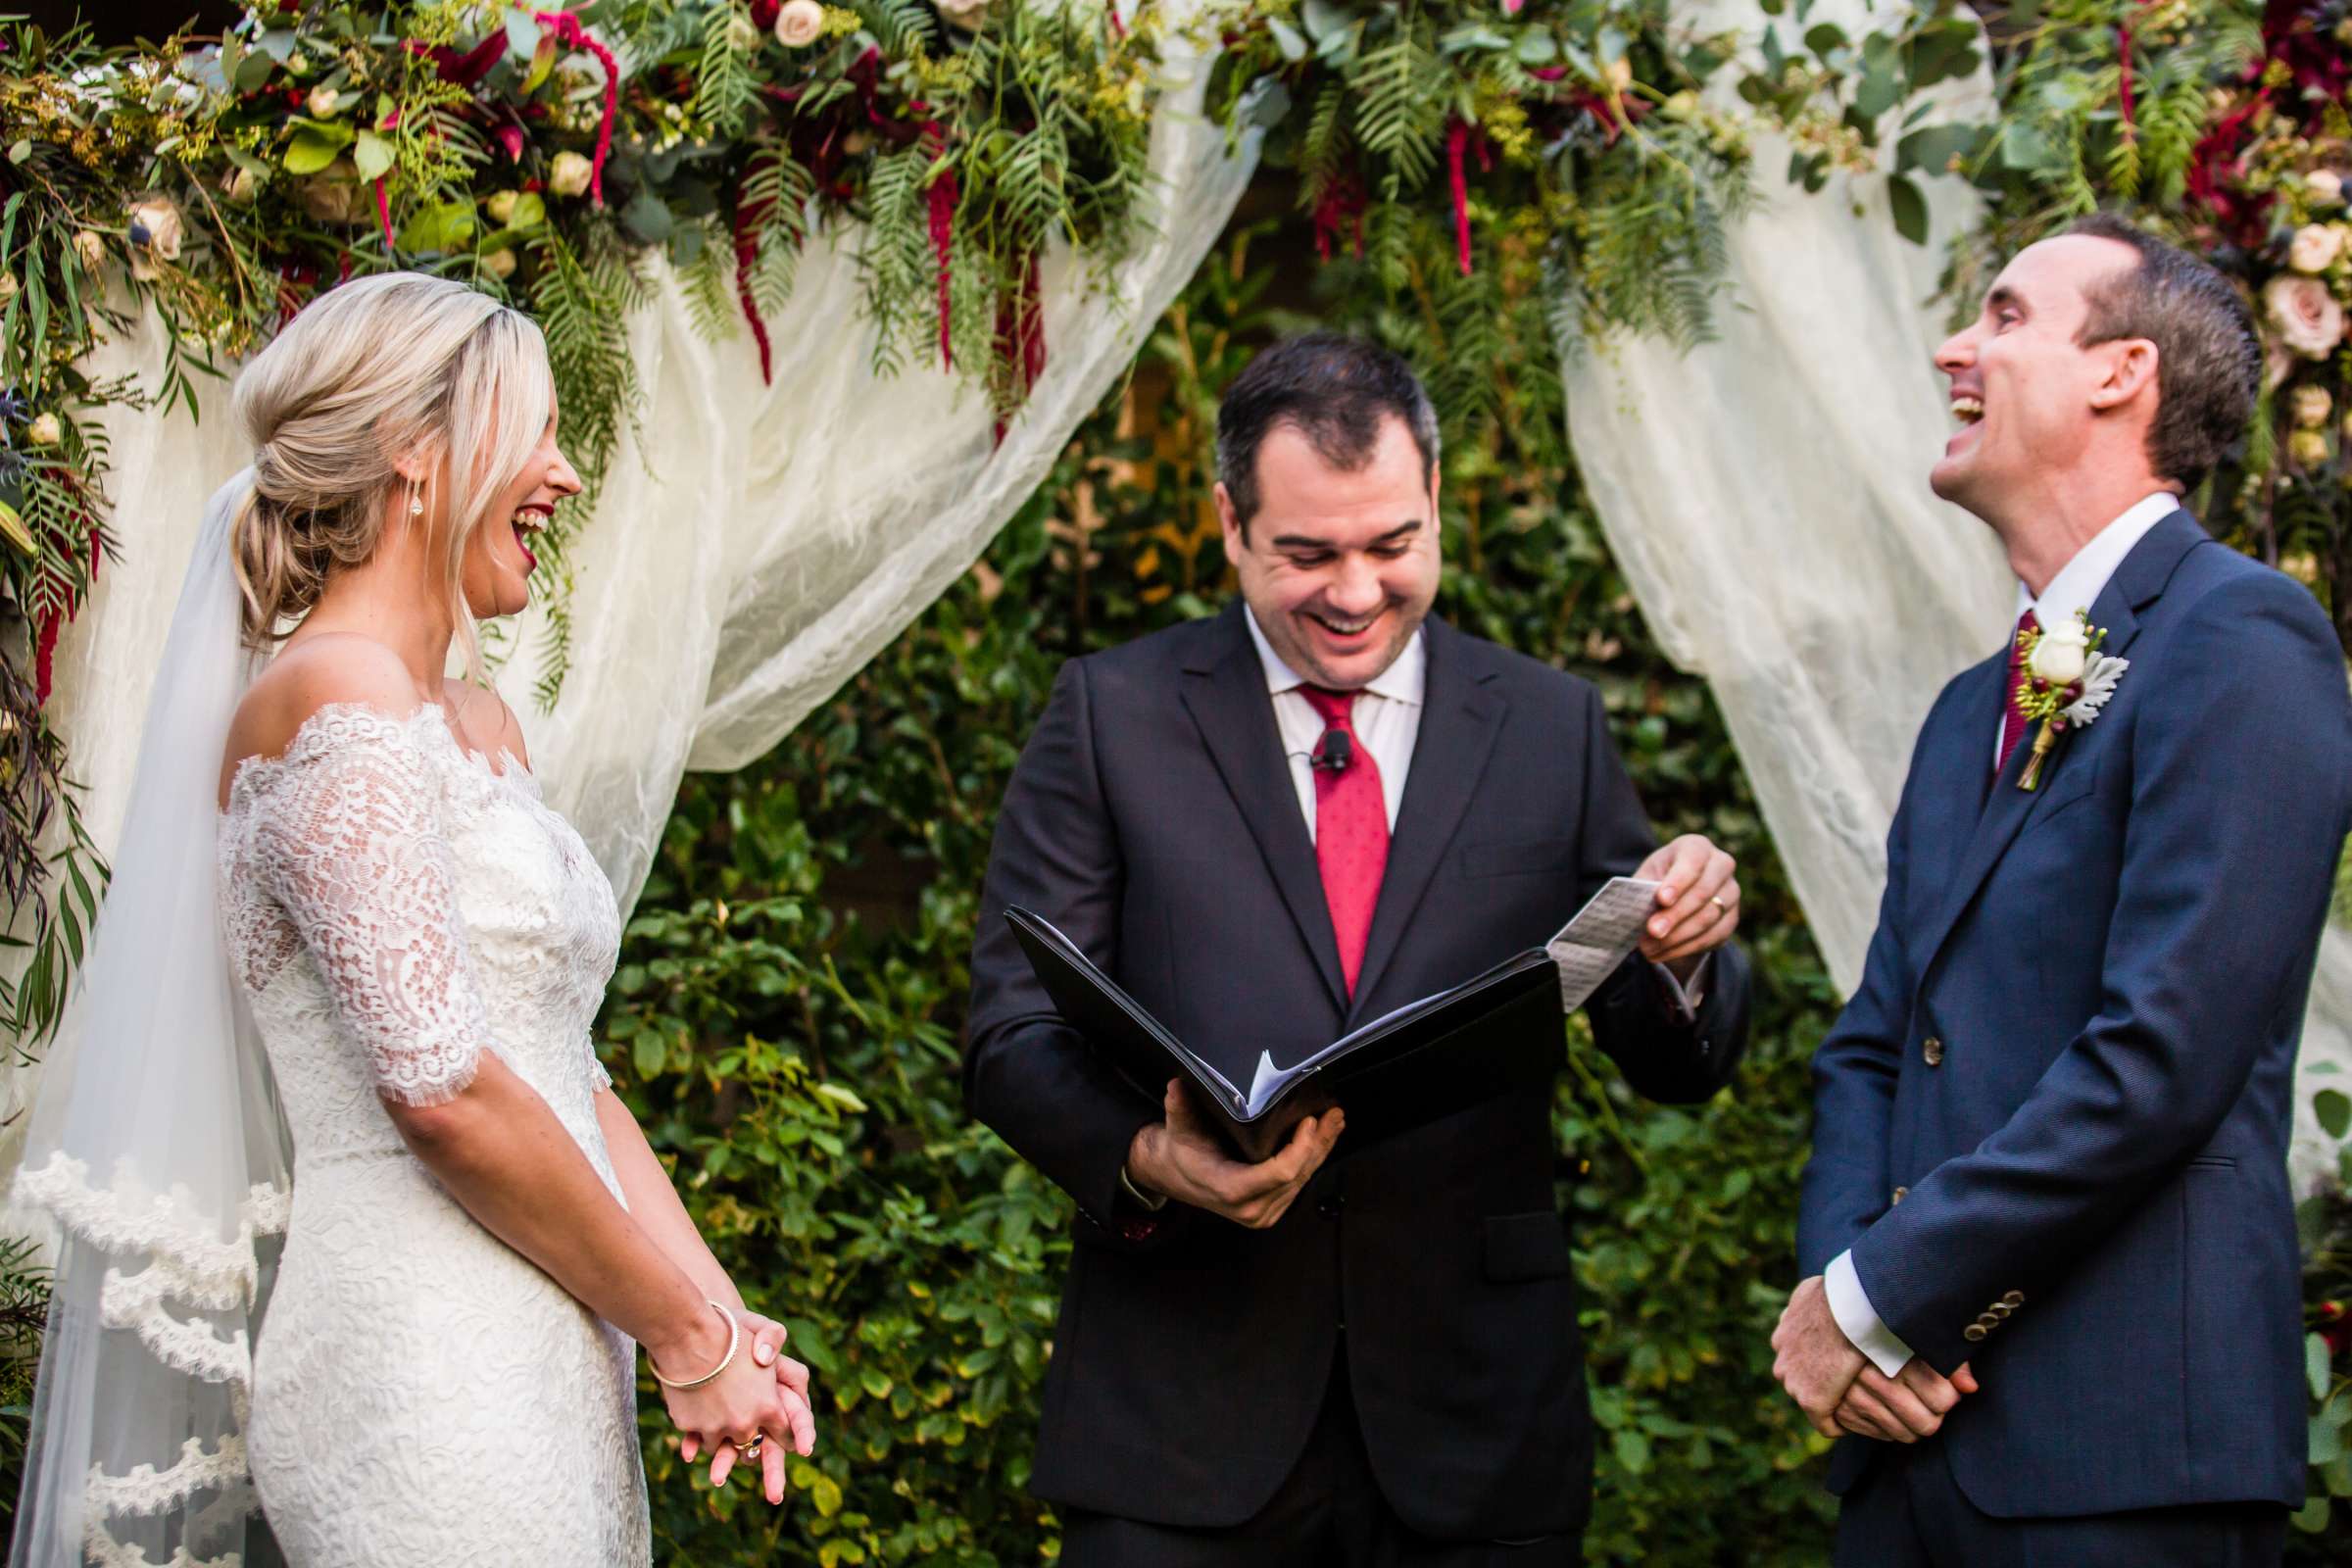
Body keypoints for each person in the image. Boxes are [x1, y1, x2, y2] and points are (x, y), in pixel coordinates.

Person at [10, 273, 815, 1568]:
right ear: (418, 457)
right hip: (422, 1363)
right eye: (536, 431)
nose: (561, 471)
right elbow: (438, 1089)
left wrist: (724, 1326)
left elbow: (571, 1079)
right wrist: (683, 1336)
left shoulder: (478, 727)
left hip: (550, 1342)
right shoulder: (332, 699)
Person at [965, 333, 1753, 1565]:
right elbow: (1011, 1031)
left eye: (1392, 545)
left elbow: (1669, 1056)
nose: (1354, 590)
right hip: (1178, 1417)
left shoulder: (1553, 725)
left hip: (1475, 1425)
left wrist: (1684, 950)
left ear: (1437, 500)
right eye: (1307, 553)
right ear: (1229, 521)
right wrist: (1148, 1159)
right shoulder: (1110, 714)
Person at [1774, 214, 2351, 1565]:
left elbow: (2165, 1056)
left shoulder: (2245, 639)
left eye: (2006, 315)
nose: (1953, 347)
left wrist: (1876, 1298)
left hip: (2124, 1464)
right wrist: (1841, 1307)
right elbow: (1876, 1044)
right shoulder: (1969, 706)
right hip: (1907, 1458)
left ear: (2122, 372)